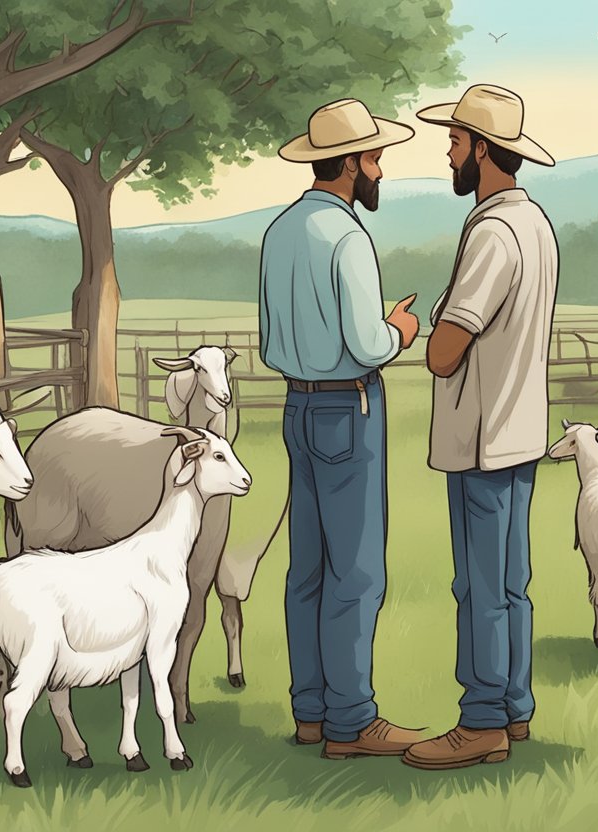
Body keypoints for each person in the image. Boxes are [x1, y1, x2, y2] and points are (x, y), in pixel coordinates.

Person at [259, 98, 423, 760]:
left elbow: (272, 344)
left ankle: (311, 710)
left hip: (297, 406)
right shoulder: (348, 237)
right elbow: (368, 340)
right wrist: (401, 329)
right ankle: (352, 721)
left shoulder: (280, 231)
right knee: (354, 570)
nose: (380, 168)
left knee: (309, 567)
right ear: (352, 163)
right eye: (375, 157)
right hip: (348, 406)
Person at [402, 84, 559, 771]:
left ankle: (482, 720)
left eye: (458, 142)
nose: (449, 152)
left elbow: (444, 352)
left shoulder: (493, 233)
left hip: (481, 435)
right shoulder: (535, 224)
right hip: (516, 429)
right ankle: (515, 709)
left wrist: (425, 331)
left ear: (484, 152)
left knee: (480, 585)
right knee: (510, 580)